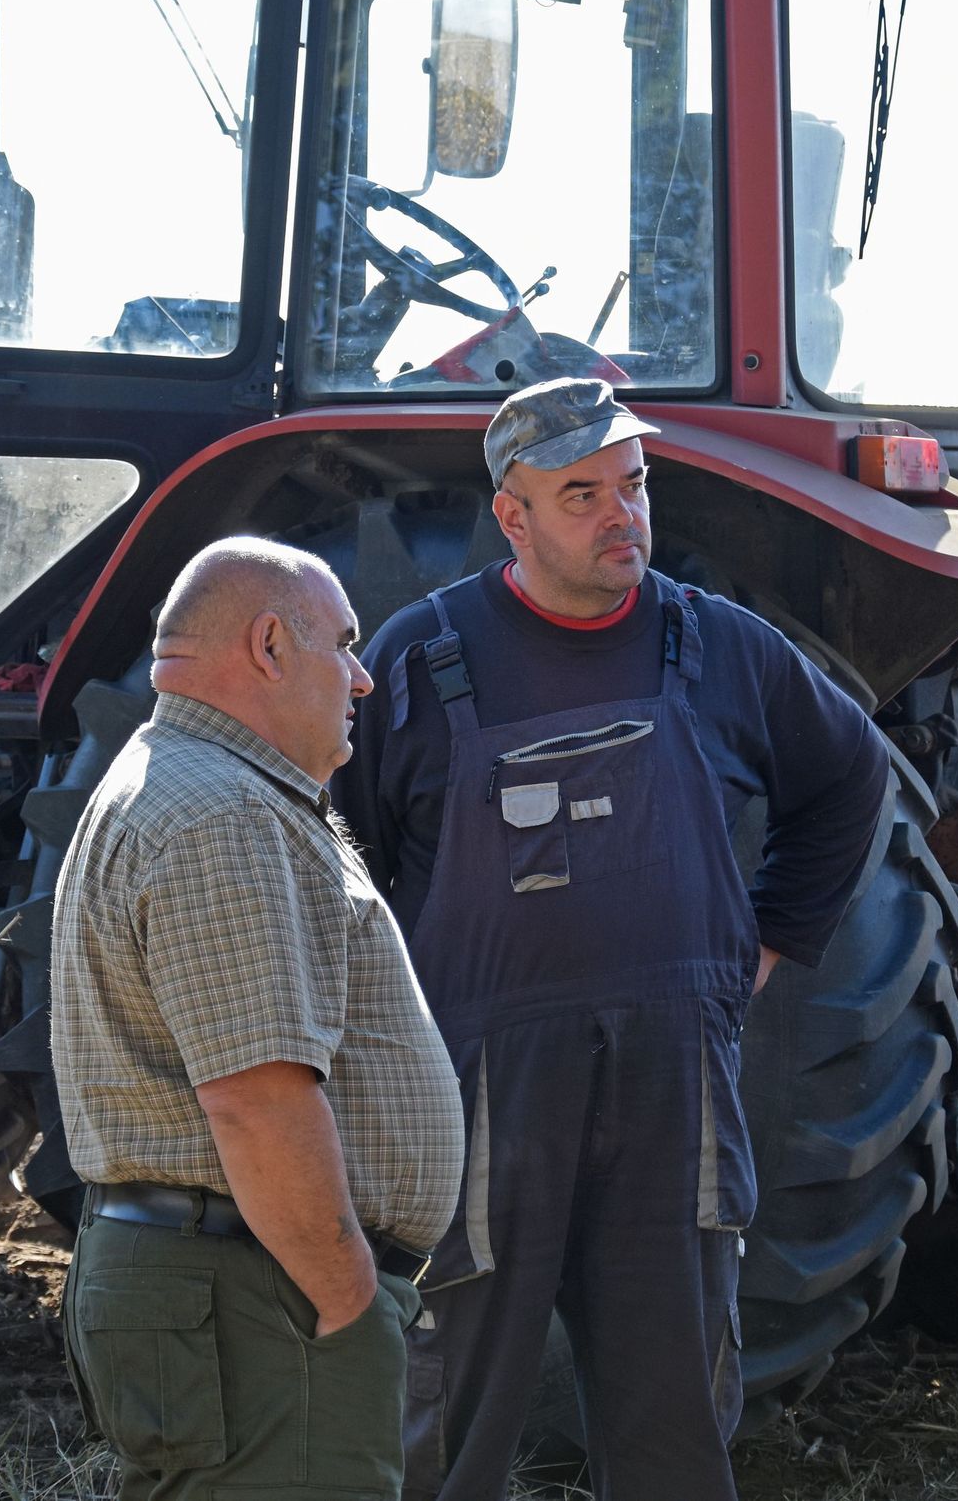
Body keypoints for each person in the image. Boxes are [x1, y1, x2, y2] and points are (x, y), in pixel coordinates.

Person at [327, 377, 891, 1501]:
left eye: (631, 484)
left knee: (674, 1426)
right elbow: (343, 848)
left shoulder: (718, 644)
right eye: (580, 492)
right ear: (513, 516)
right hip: (484, 1096)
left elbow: (851, 774)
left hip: (669, 1097)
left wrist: (770, 940)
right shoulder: (418, 659)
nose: (619, 513)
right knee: (447, 1424)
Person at [52, 536, 465, 1501]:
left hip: (236, 1283)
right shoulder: (220, 813)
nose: (363, 679)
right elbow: (257, 1099)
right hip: (260, 1296)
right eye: (346, 646)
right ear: (272, 645)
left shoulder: (192, 785)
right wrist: (346, 1296)